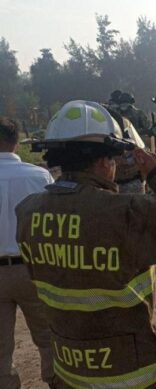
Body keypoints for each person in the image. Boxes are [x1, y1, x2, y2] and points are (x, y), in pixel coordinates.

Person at [15, 100, 156, 388]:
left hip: (69, 368)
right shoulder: (126, 212)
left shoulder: (28, 211)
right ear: (106, 162)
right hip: (131, 372)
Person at [0, 117, 55, 389]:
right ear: (16, 141)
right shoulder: (39, 176)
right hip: (34, 269)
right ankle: (57, 383)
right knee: (49, 339)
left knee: (0, 354)